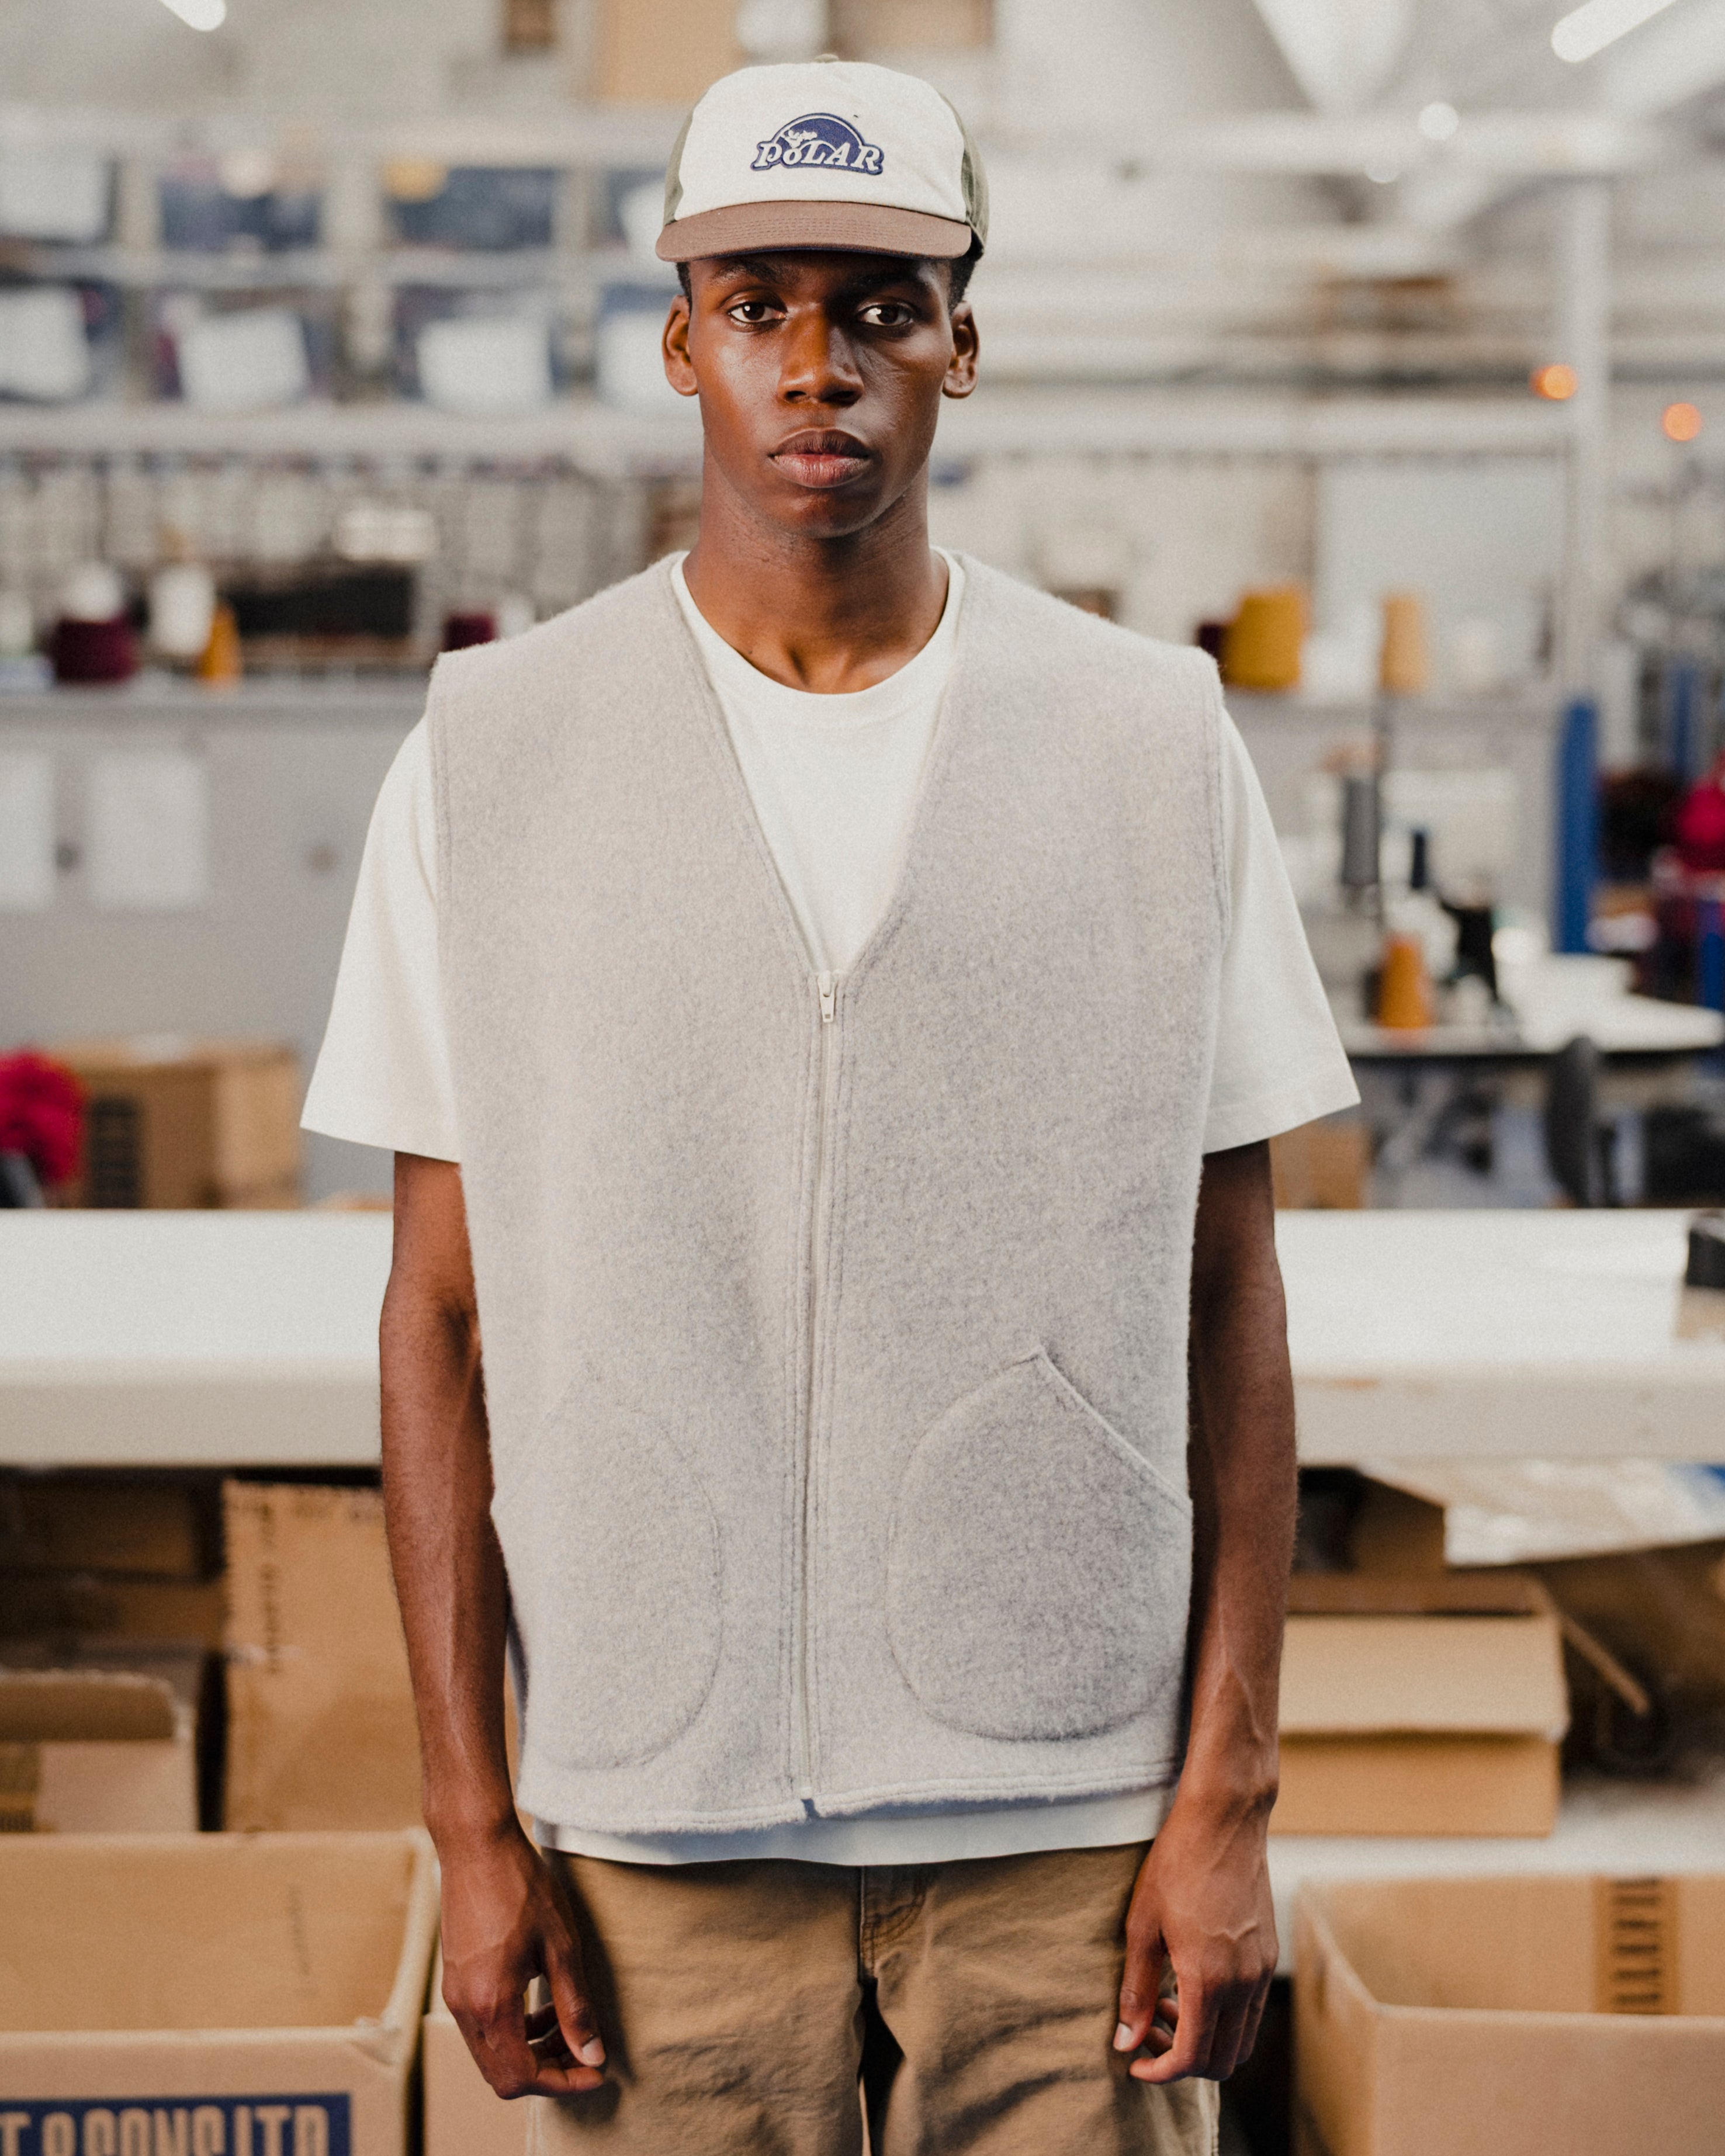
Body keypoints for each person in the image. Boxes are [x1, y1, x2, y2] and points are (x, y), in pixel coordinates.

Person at [303, 55, 1357, 2156]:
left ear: (964, 339)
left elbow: (1229, 1292)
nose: (822, 367)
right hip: (648, 1835)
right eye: (763, 301)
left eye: (883, 304)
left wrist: (1226, 1795)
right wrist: (468, 1816)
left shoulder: (1152, 744)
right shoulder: (492, 755)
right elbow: (436, 1316)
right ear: (682, 337)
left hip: (1075, 1837)